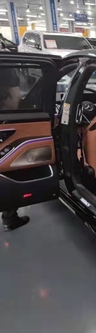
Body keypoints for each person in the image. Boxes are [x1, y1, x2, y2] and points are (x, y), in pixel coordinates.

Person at [0, 66, 30, 231]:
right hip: (5, 122)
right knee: (9, 167)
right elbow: (14, 98)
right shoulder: (6, 69)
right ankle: (9, 218)